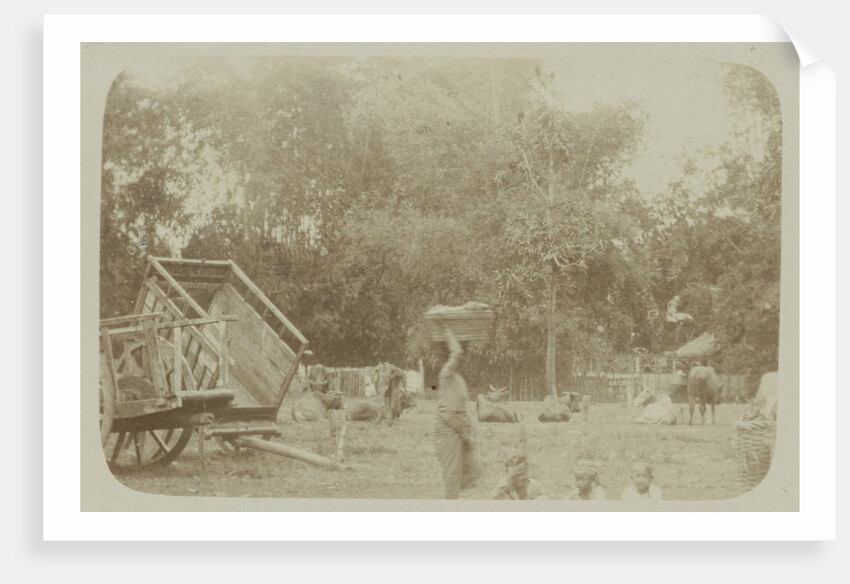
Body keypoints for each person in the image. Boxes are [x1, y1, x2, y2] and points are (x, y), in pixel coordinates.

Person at [433, 326, 481, 499]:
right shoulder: (446, 374)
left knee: (469, 473)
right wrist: (447, 330)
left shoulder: (458, 379)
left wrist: (470, 432)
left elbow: (462, 409)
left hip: (460, 428)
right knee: (452, 478)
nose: (465, 358)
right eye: (464, 354)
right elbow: (457, 353)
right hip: (447, 429)